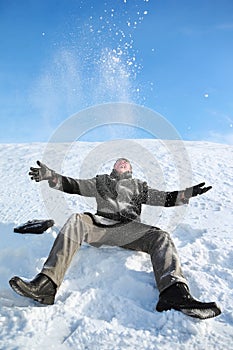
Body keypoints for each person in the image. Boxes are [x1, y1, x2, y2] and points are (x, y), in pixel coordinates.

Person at [9, 158, 221, 319]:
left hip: (131, 230)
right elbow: (73, 185)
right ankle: (46, 284)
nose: (122, 162)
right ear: (114, 168)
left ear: (130, 170)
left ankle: (174, 293)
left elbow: (164, 198)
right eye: (119, 162)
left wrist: (186, 194)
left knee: (161, 236)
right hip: (101, 226)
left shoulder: (139, 186)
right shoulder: (100, 182)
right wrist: (51, 176)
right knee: (76, 220)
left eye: (126, 163)